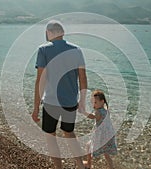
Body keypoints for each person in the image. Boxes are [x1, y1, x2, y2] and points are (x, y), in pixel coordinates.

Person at [31, 20, 87, 169]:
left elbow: (40, 81)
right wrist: (82, 102)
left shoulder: (43, 50)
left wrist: (36, 107)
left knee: (51, 137)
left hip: (50, 103)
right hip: (70, 102)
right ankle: (80, 165)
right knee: (69, 133)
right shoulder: (76, 50)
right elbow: (83, 78)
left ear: (49, 33)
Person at [84, 90, 117, 169]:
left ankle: (89, 164)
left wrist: (83, 112)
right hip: (108, 136)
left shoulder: (98, 112)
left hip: (101, 137)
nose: (93, 105)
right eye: (92, 102)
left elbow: (93, 116)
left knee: (88, 146)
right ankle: (111, 167)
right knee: (106, 154)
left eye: (95, 102)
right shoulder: (106, 110)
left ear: (102, 102)